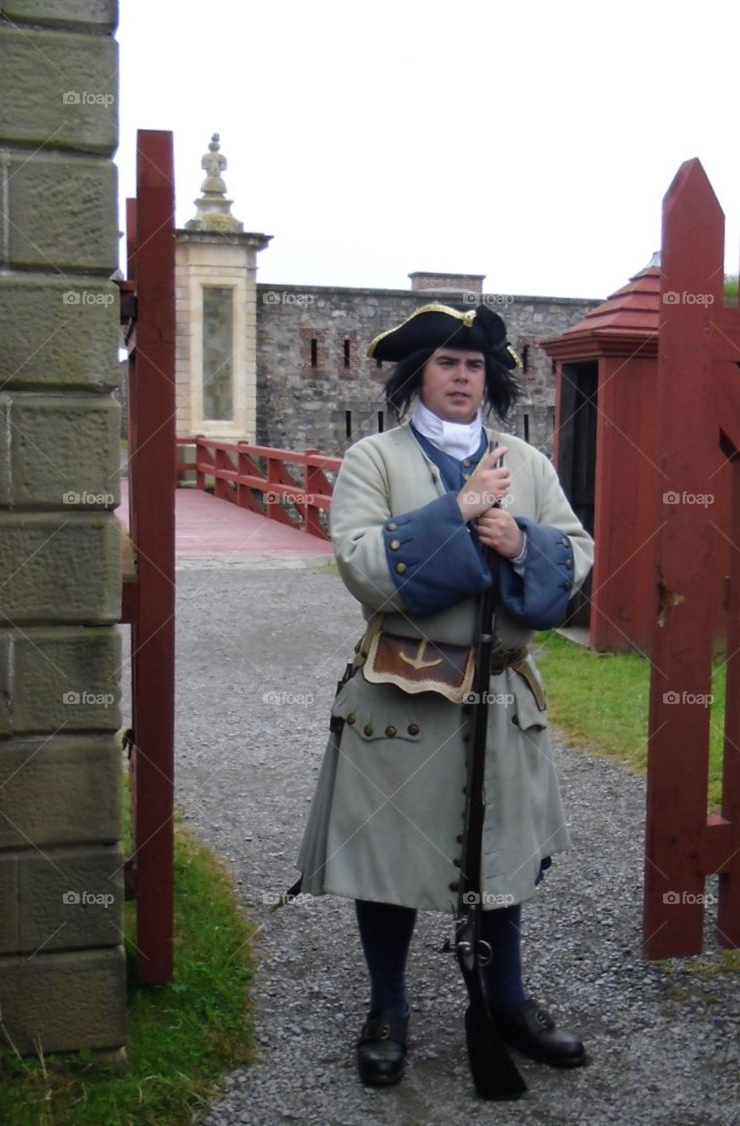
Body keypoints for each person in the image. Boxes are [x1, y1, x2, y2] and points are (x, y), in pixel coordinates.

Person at [293, 302, 594, 1088]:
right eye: (447, 363)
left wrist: (525, 542)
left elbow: (579, 552)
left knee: (500, 858)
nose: (464, 377)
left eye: (474, 366)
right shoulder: (374, 459)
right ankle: (387, 1007)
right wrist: (459, 513)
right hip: (404, 696)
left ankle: (507, 1003)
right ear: (416, 375)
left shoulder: (527, 464)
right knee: (389, 861)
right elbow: (362, 562)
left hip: (502, 693)